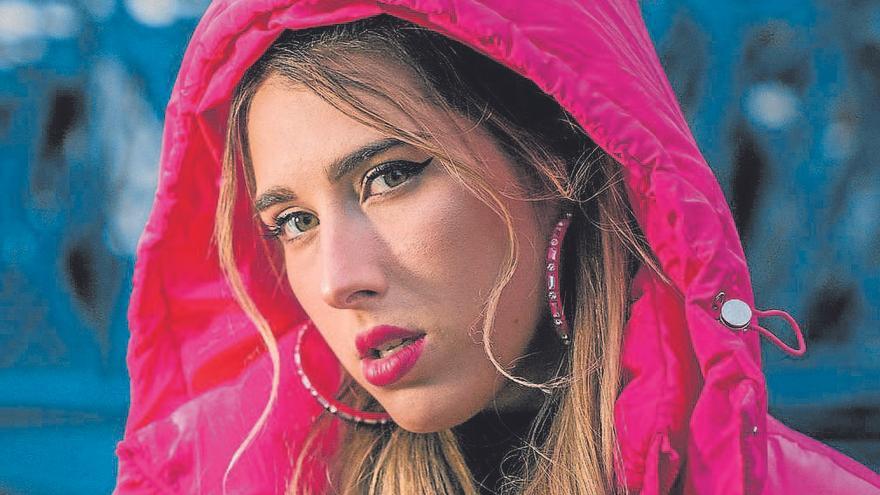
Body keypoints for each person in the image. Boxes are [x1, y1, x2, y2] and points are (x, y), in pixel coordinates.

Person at [113, 1, 880, 494]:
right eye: (293, 221)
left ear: (553, 157)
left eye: (388, 176)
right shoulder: (212, 475)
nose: (337, 281)